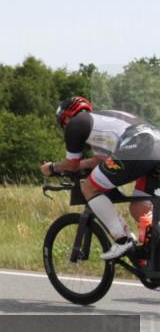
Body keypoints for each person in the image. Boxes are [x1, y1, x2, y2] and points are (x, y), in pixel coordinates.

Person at [41, 96, 160, 260]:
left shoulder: (76, 123)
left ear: (67, 117)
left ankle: (122, 239)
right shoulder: (101, 122)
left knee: (89, 187)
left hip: (138, 145)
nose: (65, 127)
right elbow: (100, 160)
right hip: (154, 145)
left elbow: (71, 164)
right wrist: (82, 165)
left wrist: (52, 168)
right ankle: (154, 260)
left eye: (63, 124)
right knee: (139, 207)